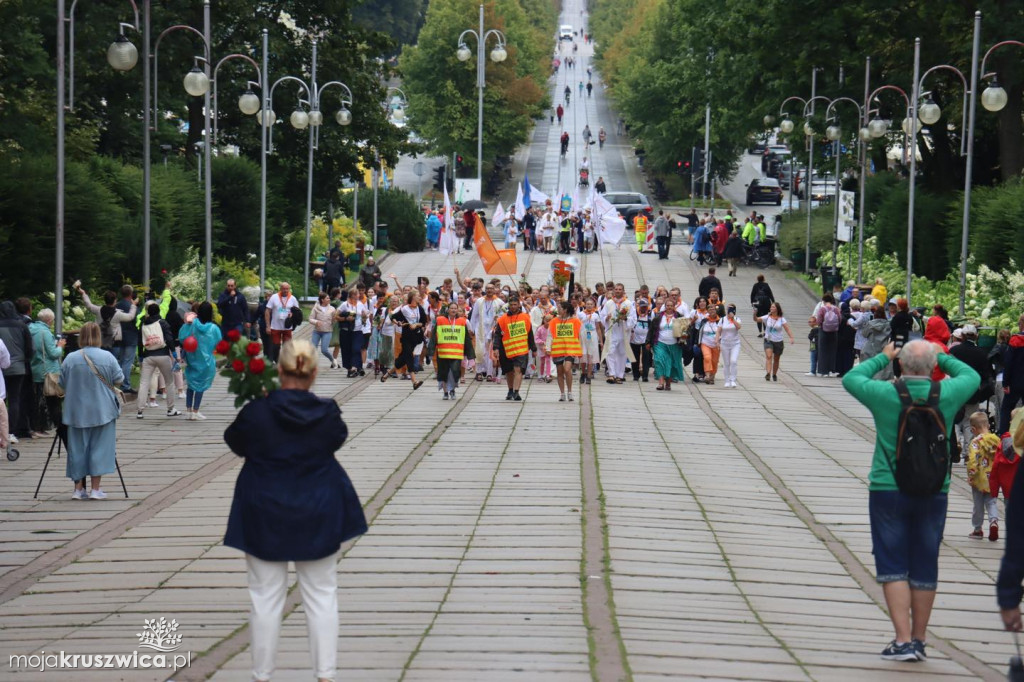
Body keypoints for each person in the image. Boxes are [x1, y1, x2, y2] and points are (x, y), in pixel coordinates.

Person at [223, 339, 366, 682]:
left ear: (277, 370)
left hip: (263, 510)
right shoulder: (327, 412)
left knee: (265, 598)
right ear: (314, 373)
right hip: (318, 508)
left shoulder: (257, 412)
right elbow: (336, 439)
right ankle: (325, 675)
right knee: (321, 595)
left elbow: (235, 442)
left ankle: (262, 675)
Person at [842, 340, 979, 662]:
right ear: (933, 368)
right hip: (935, 491)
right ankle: (918, 640)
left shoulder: (885, 395)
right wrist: (940, 355)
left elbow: (852, 378)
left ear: (901, 365)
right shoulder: (948, 393)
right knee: (924, 564)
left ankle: (902, 640)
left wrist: (884, 357)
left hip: (887, 488)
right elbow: (971, 374)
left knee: (892, 564)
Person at [59, 322, 125, 500]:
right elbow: (119, 378)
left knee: (77, 449)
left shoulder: (70, 358)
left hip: (76, 411)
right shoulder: (107, 357)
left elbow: (61, 383)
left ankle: (78, 488)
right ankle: (96, 488)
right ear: (99, 336)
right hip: (102, 409)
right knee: (101, 448)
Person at [951, 323, 996, 454]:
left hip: (956, 390)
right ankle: (968, 452)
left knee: (954, 420)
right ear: (976, 336)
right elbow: (985, 375)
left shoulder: (954, 351)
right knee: (969, 421)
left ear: (963, 336)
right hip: (973, 392)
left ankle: (956, 446)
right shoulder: (981, 353)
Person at [178, 302, 222, 421]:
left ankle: (188, 411)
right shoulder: (213, 328)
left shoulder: (192, 324)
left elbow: (182, 337)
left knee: (191, 384)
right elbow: (219, 342)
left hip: (192, 359)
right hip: (207, 362)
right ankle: (196, 411)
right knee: (200, 386)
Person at [137, 302, 180, 419]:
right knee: (169, 382)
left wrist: (141, 356)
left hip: (148, 356)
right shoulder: (162, 323)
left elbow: (140, 341)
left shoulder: (143, 324)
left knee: (144, 382)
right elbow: (169, 338)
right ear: (158, 312)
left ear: (148, 312)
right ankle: (171, 409)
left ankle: (140, 410)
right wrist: (174, 353)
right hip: (163, 355)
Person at [29, 308, 65, 435]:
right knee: (52, 400)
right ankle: (55, 425)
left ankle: (37, 426)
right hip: (48, 370)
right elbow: (53, 354)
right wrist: (60, 346)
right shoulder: (45, 332)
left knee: (37, 398)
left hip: (35, 368)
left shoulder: (30, 329)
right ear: (49, 320)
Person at [492, 295, 535, 401]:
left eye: (515, 304)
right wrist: (496, 348)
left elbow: (530, 333)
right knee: (509, 372)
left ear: (519, 305)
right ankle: (510, 389)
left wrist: (533, 348)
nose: (513, 307)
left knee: (518, 370)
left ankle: (516, 392)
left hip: (521, 349)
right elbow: (497, 335)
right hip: (506, 350)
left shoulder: (525, 317)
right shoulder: (502, 319)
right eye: (511, 305)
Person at [966, 410, 1000, 541]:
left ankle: (978, 529)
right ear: (988, 425)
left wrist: (971, 475)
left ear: (973, 429)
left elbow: (973, 460)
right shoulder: (996, 440)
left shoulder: (976, 442)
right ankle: (994, 521)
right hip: (993, 478)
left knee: (978, 504)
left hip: (979, 479)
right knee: (992, 502)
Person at [384, 291, 427, 390]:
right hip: (406, 337)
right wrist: (398, 322)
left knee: (403, 358)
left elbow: (423, 322)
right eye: (417, 296)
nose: (419, 297)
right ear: (412, 298)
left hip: (416, 337)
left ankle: (388, 373)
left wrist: (416, 324)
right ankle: (414, 381)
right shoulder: (404, 309)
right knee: (409, 357)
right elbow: (393, 317)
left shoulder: (419, 308)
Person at [78, 286, 136, 354]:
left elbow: (89, 305)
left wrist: (83, 293)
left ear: (105, 300)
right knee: (112, 361)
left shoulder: (98, 310)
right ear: (115, 300)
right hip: (114, 342)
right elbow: (130, 317)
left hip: (100, 340)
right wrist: (133, 305)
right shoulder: (118, 314)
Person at [434, 302, 471, 400]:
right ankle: (446, 392)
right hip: (443, 352)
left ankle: (453, 390)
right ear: (448, 309)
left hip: (456, 352)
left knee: (454, 372)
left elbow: (466, 337)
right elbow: (434, 335)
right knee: (444, 372)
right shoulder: (440, 320)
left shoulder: (462, 321)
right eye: (451, 308)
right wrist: (430, 350)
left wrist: (470, 353)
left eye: (455, 308)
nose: (454, 310)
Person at [549, 301, 582, 402]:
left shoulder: (575, 321)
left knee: (567, 369)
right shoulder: (554, 321)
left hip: (570, 349)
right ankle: (562, 393)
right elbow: (550, 335)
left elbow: (579, 336)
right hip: (558, 349)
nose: (557, 310)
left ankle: (570, 392)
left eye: (559, 308)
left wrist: (580, 350)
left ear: (565, 310)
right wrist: (547, 348)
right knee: (559, 372)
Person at [647, 300, 684, 391]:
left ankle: (668, 383)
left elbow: (685, 329)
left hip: (674, 344)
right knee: (659, 361)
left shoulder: (679, 316)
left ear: (674, 306)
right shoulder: (658, 317)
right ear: (665, 306)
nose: (669, 307)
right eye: (667, 305)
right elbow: (651, 329)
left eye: (671, 305)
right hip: (660, 343)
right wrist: (648, 342)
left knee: (671, 364)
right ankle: (660, 383)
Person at [601, 284, 633, 384]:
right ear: (614, 291)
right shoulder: (609, 303)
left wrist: (626, 318)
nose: (618, 291)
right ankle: (611, 374)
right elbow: (602, 315)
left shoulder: (628, 303)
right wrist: (606, 318)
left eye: (620, 289)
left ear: (623, 291)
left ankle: (620, 375)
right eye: (616, 289)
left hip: (623, 332)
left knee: (622, 354)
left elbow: (633, 318)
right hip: (612, 332)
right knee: (610, 352)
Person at [758, 302, 795, 382]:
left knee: (776, 359)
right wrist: (754, 313)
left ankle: (774, 374)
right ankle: (768, 373)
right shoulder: (767, 317)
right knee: (769, 356)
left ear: (777, 309)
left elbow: (787, 329)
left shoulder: (781, 319)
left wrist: (791, 337)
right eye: (771, 307)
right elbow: (757, 319)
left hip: (778, 341)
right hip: (768, 340)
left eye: (773, 307)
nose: (771, 308)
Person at [1000, 314, 1024, 434]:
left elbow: (1008, 363)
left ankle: (1004, 437)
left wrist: (1005, 382)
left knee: (1006, 409)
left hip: (1015, 382)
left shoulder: (1016, 340)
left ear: (1022, 324)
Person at [265, 282, 298, 364]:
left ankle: (286, 361)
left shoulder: (293, 298)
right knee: (276, 346)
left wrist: (293, 314)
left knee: (287, 345)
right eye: (283, 289)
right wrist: (268, 326)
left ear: (289, 289)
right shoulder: (274, 297)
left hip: (287, 327)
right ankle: (277, 360)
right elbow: (267, 311)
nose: (285, 290)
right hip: (275, 326)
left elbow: (297, 312)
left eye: (287, 289)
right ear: (280, 289)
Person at [577, 299, 603, 385]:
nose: (589, 305)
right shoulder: (580, 314)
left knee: (590, 356)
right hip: (583, 336)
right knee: (583, 355)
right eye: (587, 304)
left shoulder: (595, 315)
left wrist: (601, 341)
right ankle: (583, 373)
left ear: (593, 305)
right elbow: (577, 326)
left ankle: (589, 375)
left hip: (592, 336)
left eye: (591, 304)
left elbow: (598, 328)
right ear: (585, 305)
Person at [309, 292, 338, 368]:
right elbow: (310, 319)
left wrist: (335, 318)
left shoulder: (332, 309)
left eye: (329, 298)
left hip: (327, 332)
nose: (329, 299)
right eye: (327, 298)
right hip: (317, 331)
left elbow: (334, 320)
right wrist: (316, 322)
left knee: (324, 350)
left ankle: (333, 360)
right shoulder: (316, 308)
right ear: (322, 300)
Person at [628, 299, 653, 382]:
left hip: (646, 340)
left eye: (645, 307)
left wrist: (650, 340)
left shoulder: (650, 314)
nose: (644, 308)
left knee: (646, 358)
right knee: (635, 358)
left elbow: (652, 327)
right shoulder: (634, 313)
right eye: (642, 307)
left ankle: (645, 376)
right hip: (634, 339)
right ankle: (636, 375)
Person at [815, 294, 841, 377]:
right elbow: (840, 319)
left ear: (824, 300)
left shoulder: (822, 309)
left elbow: (819, 320)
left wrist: (820, 325)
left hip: (823, 331)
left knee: (823, 351)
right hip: (834, 332)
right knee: (832, 351)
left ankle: (823, 371)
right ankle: (831, 369)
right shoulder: (836, 309)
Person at [699, 307, 722, 385]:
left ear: (716, 311)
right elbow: (700, 331)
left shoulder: (720, 321)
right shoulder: (704, 321)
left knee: (715, 361)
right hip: (705, 343)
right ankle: (707, 375)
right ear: (708, 311)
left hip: (717, 344)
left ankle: (712, 376)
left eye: (714, 310)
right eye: (710, 310)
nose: (712, 311)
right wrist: (697, 342)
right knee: (707, 357)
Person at [720, 304, 742, 388]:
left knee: (733, 361)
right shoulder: (722, 320)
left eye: (731, 309)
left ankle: (733, 380)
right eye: (728, 309)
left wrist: (733, 319)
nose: (729, 310)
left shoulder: (737, 319)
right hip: (725, 343)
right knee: (726, 363)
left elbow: (738, 327)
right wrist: (717, 340)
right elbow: (719, 330)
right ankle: (726, 380)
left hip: (735, 344)